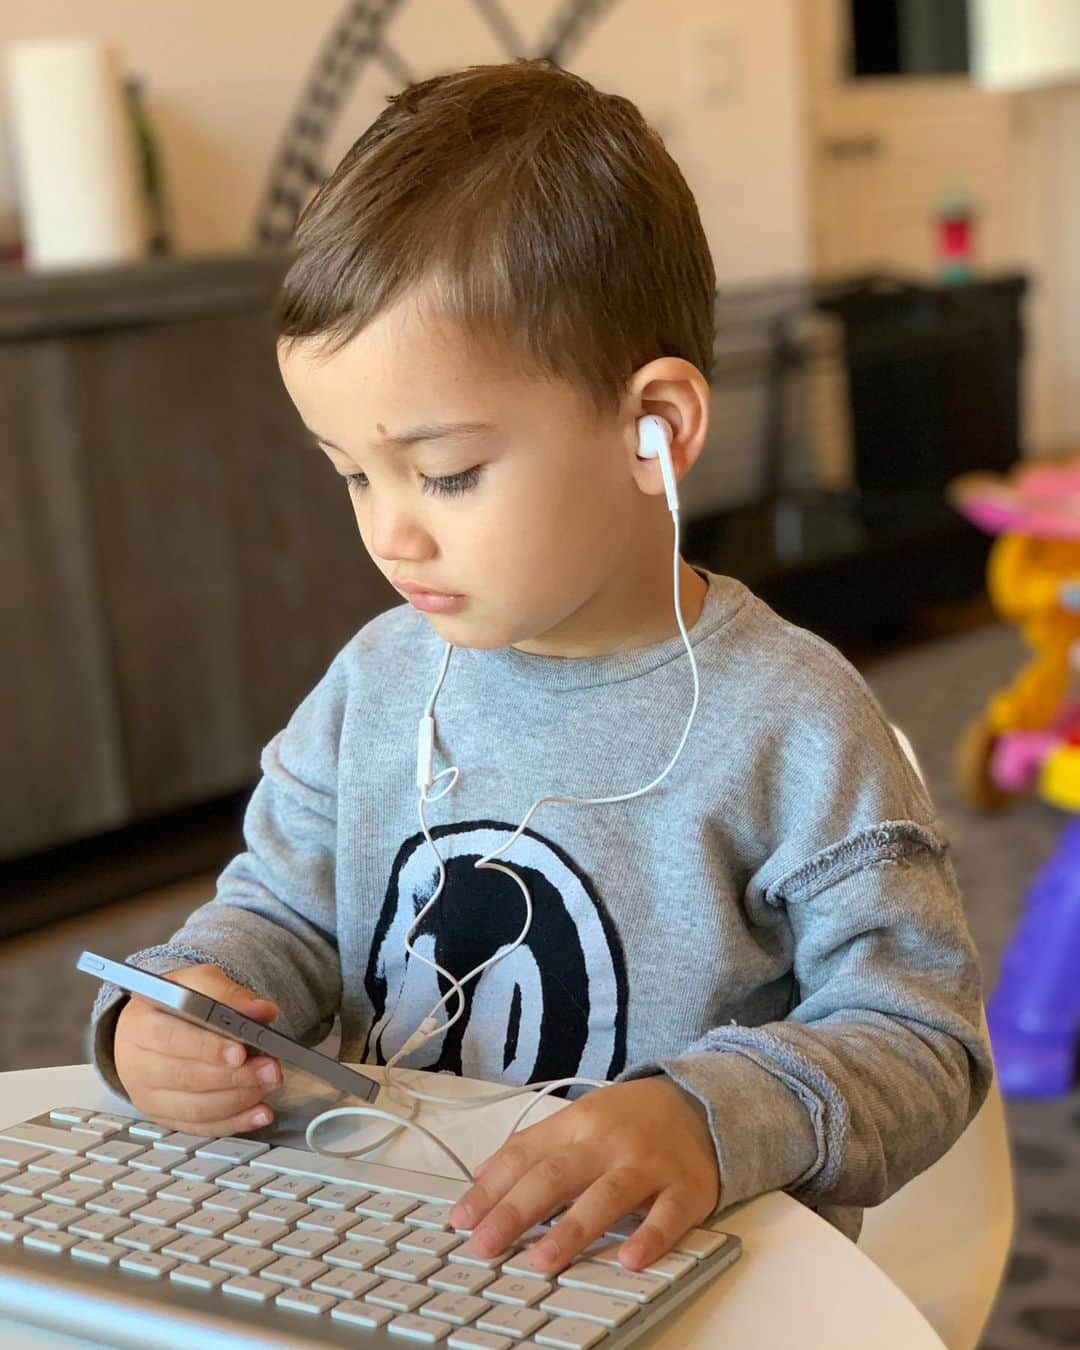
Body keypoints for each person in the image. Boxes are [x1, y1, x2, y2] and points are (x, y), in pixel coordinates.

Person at [87, 59, 991, 1281]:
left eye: (447, 471)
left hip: (662, 1275)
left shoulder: (794, 719)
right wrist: (180, 1013)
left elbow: (921, 1038)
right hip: (391, 1250)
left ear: (652, 430)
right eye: (353, 472)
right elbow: (277, 916)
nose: (390, 532)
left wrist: (708, 1116)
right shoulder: (373, 685)